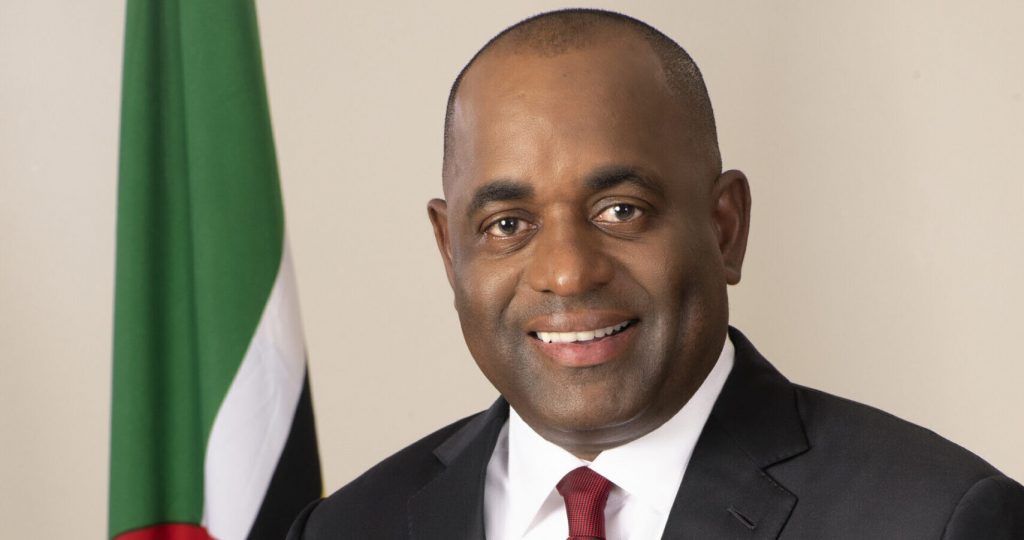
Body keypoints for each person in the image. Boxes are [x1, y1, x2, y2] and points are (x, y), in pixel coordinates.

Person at [288, 8, 1024, 539]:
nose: (567, 274)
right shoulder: (345, 527)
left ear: (725, 227)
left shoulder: (937, 518)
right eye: (508, 225)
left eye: (621, 211)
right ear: (451, 252)